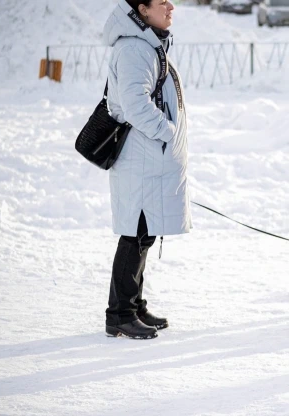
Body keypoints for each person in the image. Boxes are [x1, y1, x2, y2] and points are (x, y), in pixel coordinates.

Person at [102, 0, 190, 339]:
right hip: (141, 159)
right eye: (161, 2)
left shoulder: (148, 44)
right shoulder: (135, 49)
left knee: (144, 234)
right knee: (135, 234)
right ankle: (120, 313)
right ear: (142, 9)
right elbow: (135, 104)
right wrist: (167, 132)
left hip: (149, 158)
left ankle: (133, 305)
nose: (171, 6)